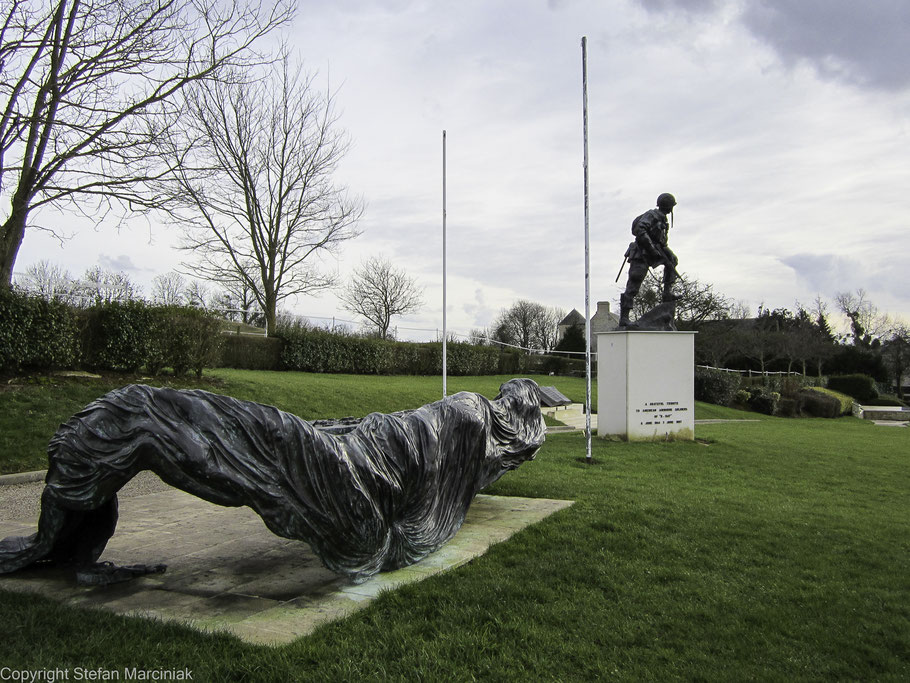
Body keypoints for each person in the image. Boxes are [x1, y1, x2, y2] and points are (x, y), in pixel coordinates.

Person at [618, 192, 679, 328]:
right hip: (641, 252)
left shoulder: (663, 220)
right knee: (634, 282)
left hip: (655, 251)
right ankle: (624, 317)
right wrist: (652, 249)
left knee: (672, 262)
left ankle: (667, 293)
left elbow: (663, 243)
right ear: (668, 206)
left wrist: (669, 254)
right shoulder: (652, 215)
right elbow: (640, 230)